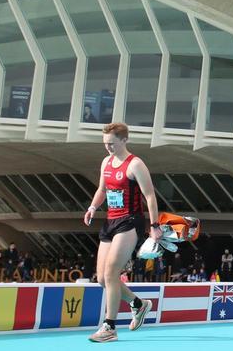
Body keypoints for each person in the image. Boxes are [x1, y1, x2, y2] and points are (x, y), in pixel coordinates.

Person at [83, 122, 161, 343]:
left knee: (111, 273)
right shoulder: (106, 162)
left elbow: (150, 196)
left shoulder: (135, 164)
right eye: (105, 143)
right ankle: (139, 304)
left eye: (112, 143)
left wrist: (154, 227)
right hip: (110, 221)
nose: (108, 147)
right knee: (101, 279)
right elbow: (102, 189)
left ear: (124, 140)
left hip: (130, 221)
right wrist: (92, 208)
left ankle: (109, 328)